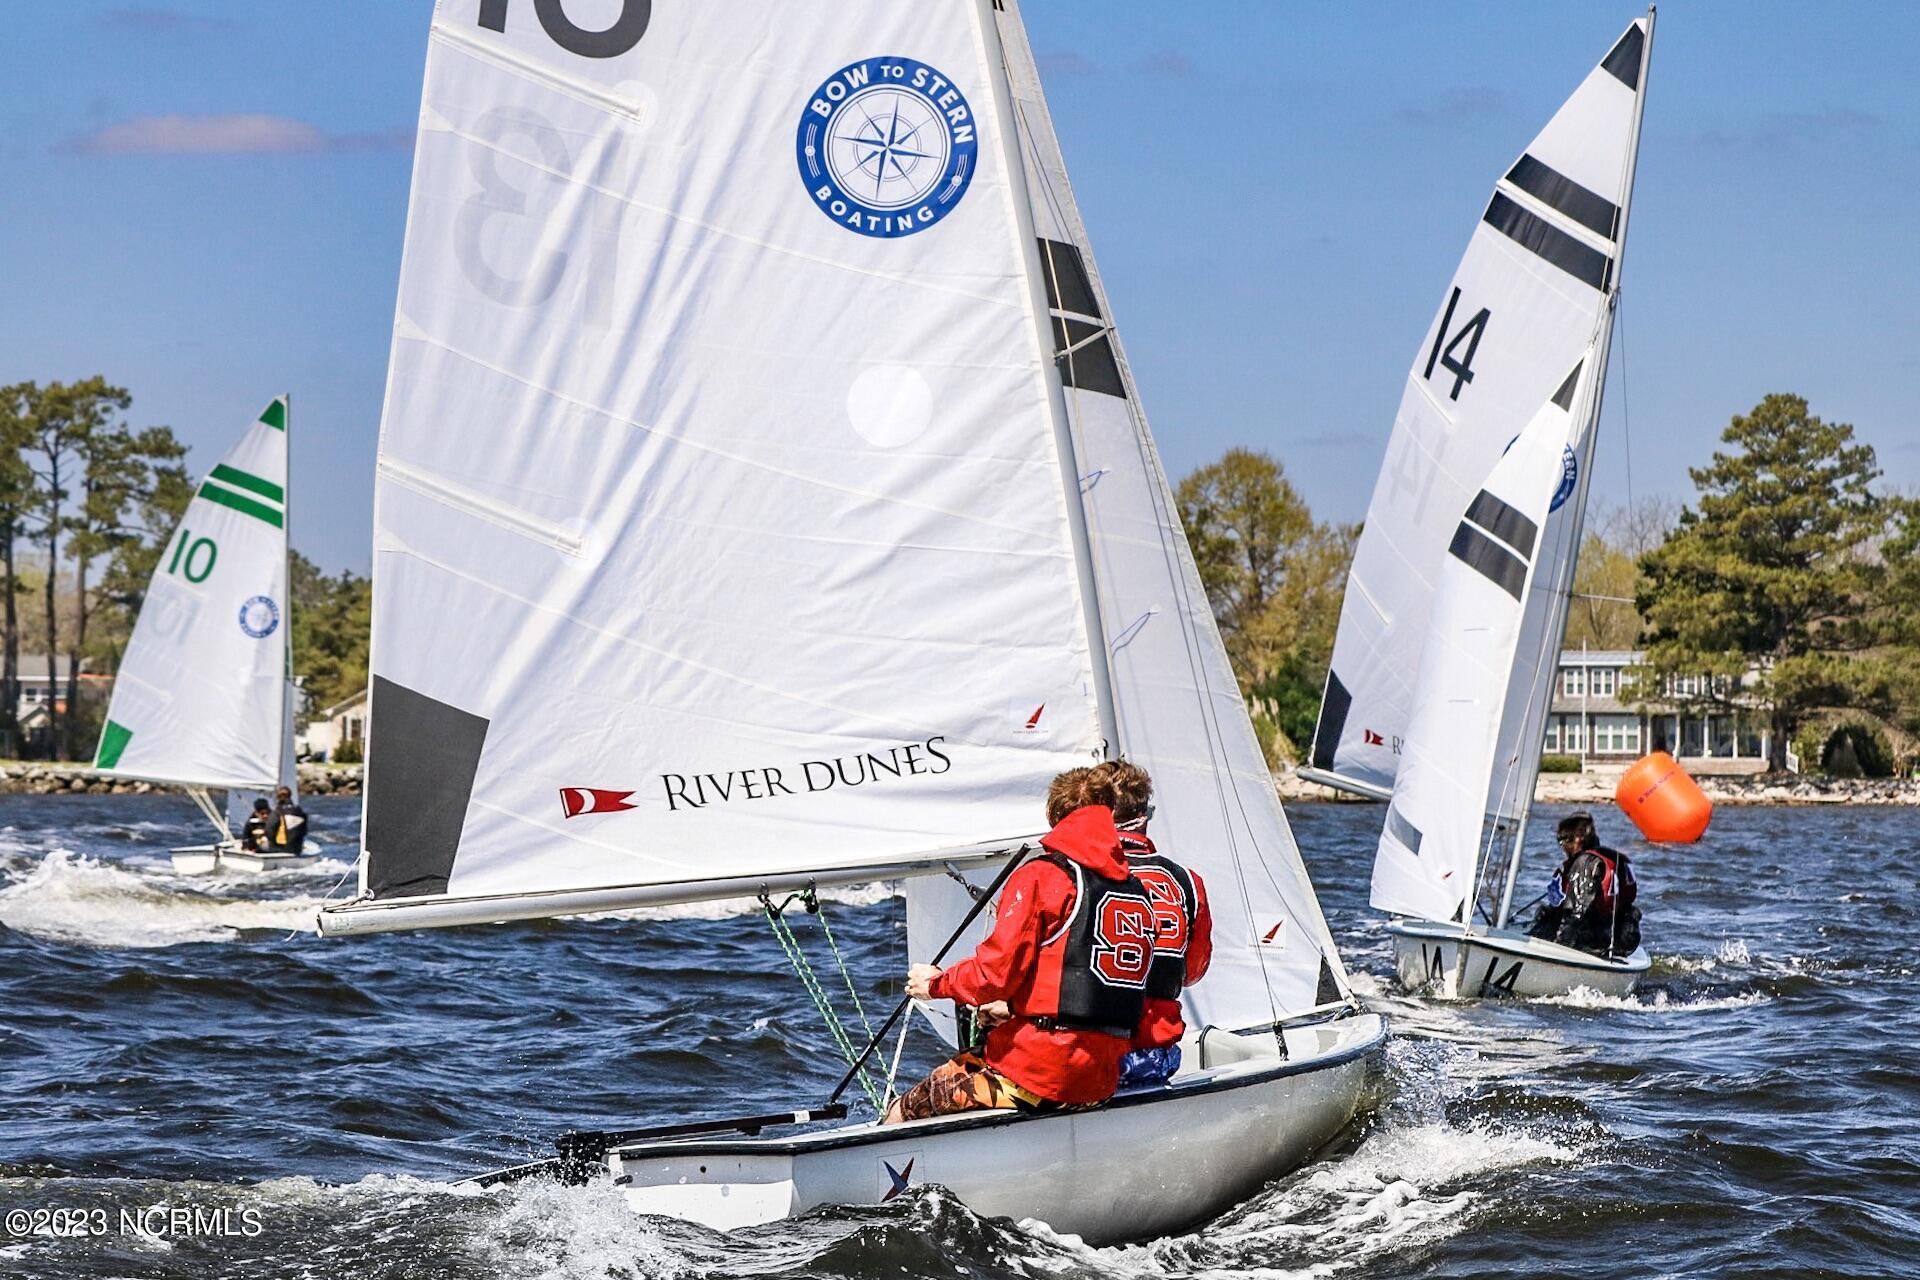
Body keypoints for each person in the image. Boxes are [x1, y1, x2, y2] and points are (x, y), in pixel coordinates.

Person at [885, 768, 1154, 1123]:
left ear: (1054, 817)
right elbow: (1085, 982)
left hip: (1039, 1075)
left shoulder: (1042, 876)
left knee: (905, 1108)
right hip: (1101, 1079)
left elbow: (993, 974)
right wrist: (1013, 1008)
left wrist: (936, 984)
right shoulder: (1135, 890)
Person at [1090, 760, 1211, 1087]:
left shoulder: (1069, 874)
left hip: (1085, 1056)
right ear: (1144, 817)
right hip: (1155, 1057)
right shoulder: (1187, 881)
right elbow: (1193, 972)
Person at [1527, 812, 1641, 957]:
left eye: (1564, 841)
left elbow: (1577, 913)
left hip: (1596, 940)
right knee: (1546, 912)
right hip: (1624, 937)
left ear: (1579, 839)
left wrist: (1560, 949)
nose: (1562, 847)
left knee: (1547, 922)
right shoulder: (1615, 858)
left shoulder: (1585, 863)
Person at [270, 785, 309, 855]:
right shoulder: (299, 811)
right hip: (297, 849)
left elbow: (269, 830)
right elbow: (304, 831)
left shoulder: (277, 812)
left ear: (278, 797)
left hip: (280, 849)